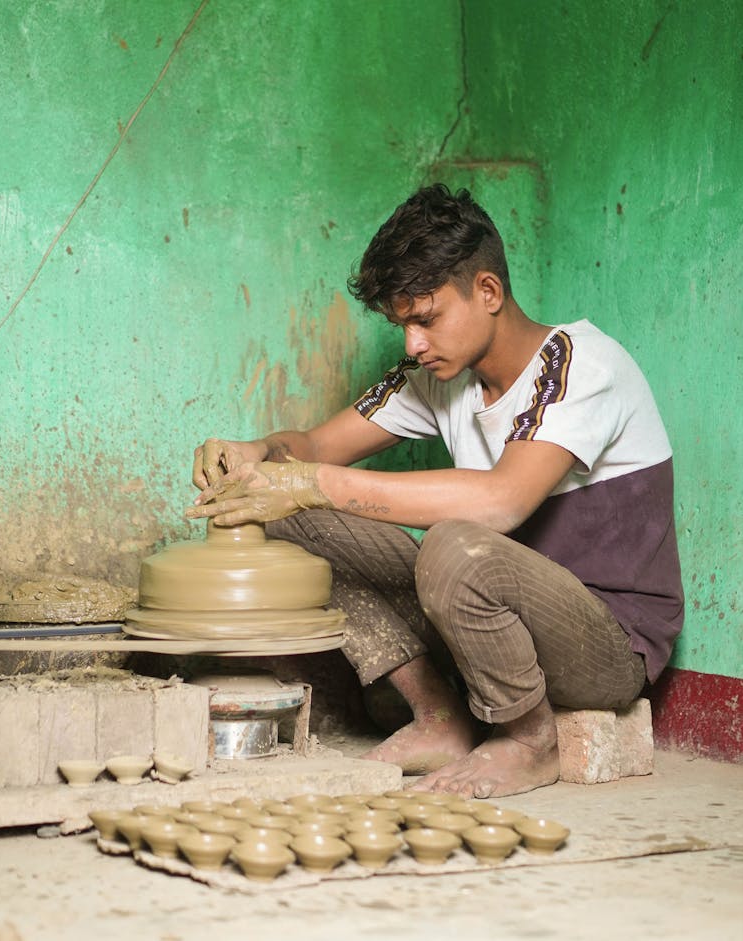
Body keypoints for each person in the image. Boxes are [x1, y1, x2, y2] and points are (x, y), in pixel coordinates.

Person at [186, 183, 684, 799]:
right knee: (288, 515)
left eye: (426, 319)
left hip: (607, 646)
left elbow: (502, 502)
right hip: (494, 626)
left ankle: (529, 740)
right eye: (402, 325)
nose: (412, 344)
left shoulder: (582, 365)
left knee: (454, 547)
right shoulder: (438, 377)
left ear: (488, 292)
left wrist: (314, 483)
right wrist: (257, 456)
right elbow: (312, 449)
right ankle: (439, 716)